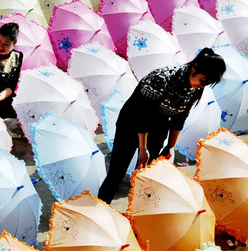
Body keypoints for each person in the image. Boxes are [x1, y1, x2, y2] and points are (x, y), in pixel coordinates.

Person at [97, 48, 226, 204]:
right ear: (194, 67)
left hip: (158, 126)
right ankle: (102, 209)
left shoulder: (194, 90)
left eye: (206, 84)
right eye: (203, 80)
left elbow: (180, 118)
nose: (202, 86)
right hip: (131, 122)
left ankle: (141, 213)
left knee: (150, 173)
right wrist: (143, 148)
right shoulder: (161, 78)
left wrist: (171, 145)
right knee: (117, 172)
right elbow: (143, 115)